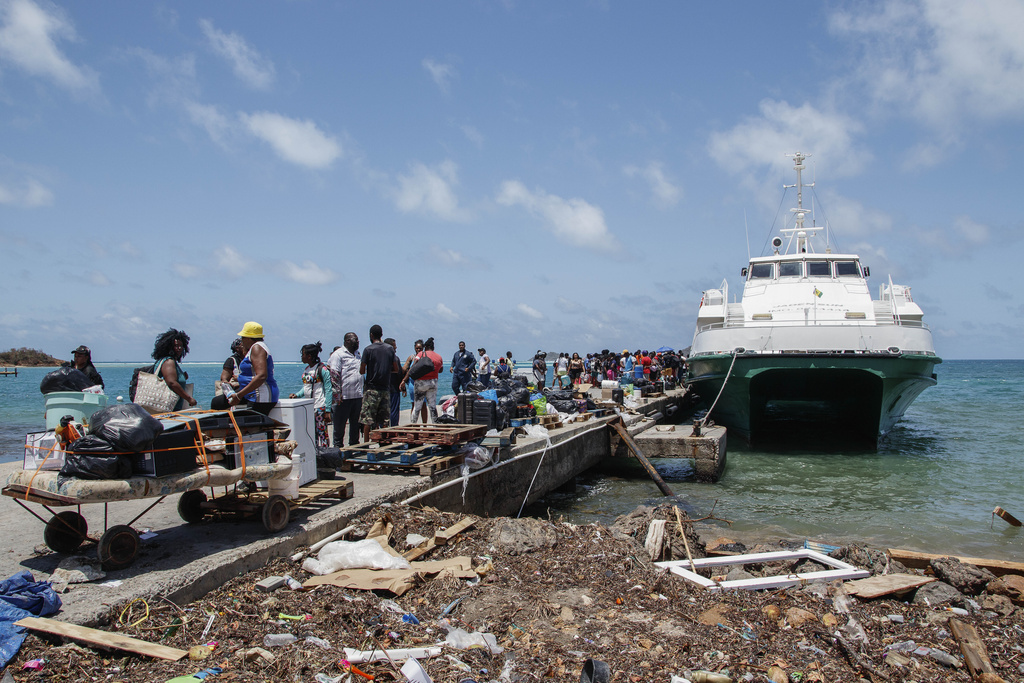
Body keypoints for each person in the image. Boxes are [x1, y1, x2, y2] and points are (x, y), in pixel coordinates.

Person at [224, 322, 279, 415]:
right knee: (217, 403)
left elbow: (261, 376)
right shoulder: (256, 347)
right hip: (252, 395)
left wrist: (238, 396)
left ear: (249, 338)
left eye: (243, 337)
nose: (241, 340)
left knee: (251, 427)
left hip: (260, 397)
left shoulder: (257, 348)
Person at [288, 342, 333, 447]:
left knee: (322, 433)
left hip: (320, 407)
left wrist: (327, 410)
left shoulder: (322, 369)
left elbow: (328, 389)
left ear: (309, 356)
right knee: (311, 434)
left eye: (302, 354)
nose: (301, 357)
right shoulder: (307, 370)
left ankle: (324, 454)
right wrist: (297, 395)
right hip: (309, 407)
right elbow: (306, 388)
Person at [328, 332, 362, 447]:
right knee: (339, 429)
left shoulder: (358, 354)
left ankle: (354, 453)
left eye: (357, 340)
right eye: (355, 340)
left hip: (357, 396)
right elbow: (334, 375)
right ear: (347, 341)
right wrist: (338, 394)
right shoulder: (338, 355)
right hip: (343, 399)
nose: (358, 342)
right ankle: (338, 456)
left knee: (355, 428)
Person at [151, 329, 197, 411]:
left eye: (181, 346)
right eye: (176, 346)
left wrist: (182, 377)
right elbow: (171, 383)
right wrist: (189, 399)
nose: (179, 348)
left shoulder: (167, 361)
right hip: (168, 410)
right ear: (169, 346)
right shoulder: (169, 361)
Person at [403, 336, 443, 423]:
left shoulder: (421, 354)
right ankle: (435, 426)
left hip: (420, 383)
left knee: (417, 407)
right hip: (433, 382)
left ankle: (413, 425)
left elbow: (413, 366)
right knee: (432, 406)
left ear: (425, 347)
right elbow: (441, 370)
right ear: (433, 347)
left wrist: (403, 380)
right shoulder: (439, 357)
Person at [385, 337, 405, 427]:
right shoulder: (395, 359)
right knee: (394, 411)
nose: (396, 348)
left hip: (383, 388)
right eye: (394, 346)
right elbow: (399, 373)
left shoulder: (381, 359)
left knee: (383, 411)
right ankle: (394, 429)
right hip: (393, 388)